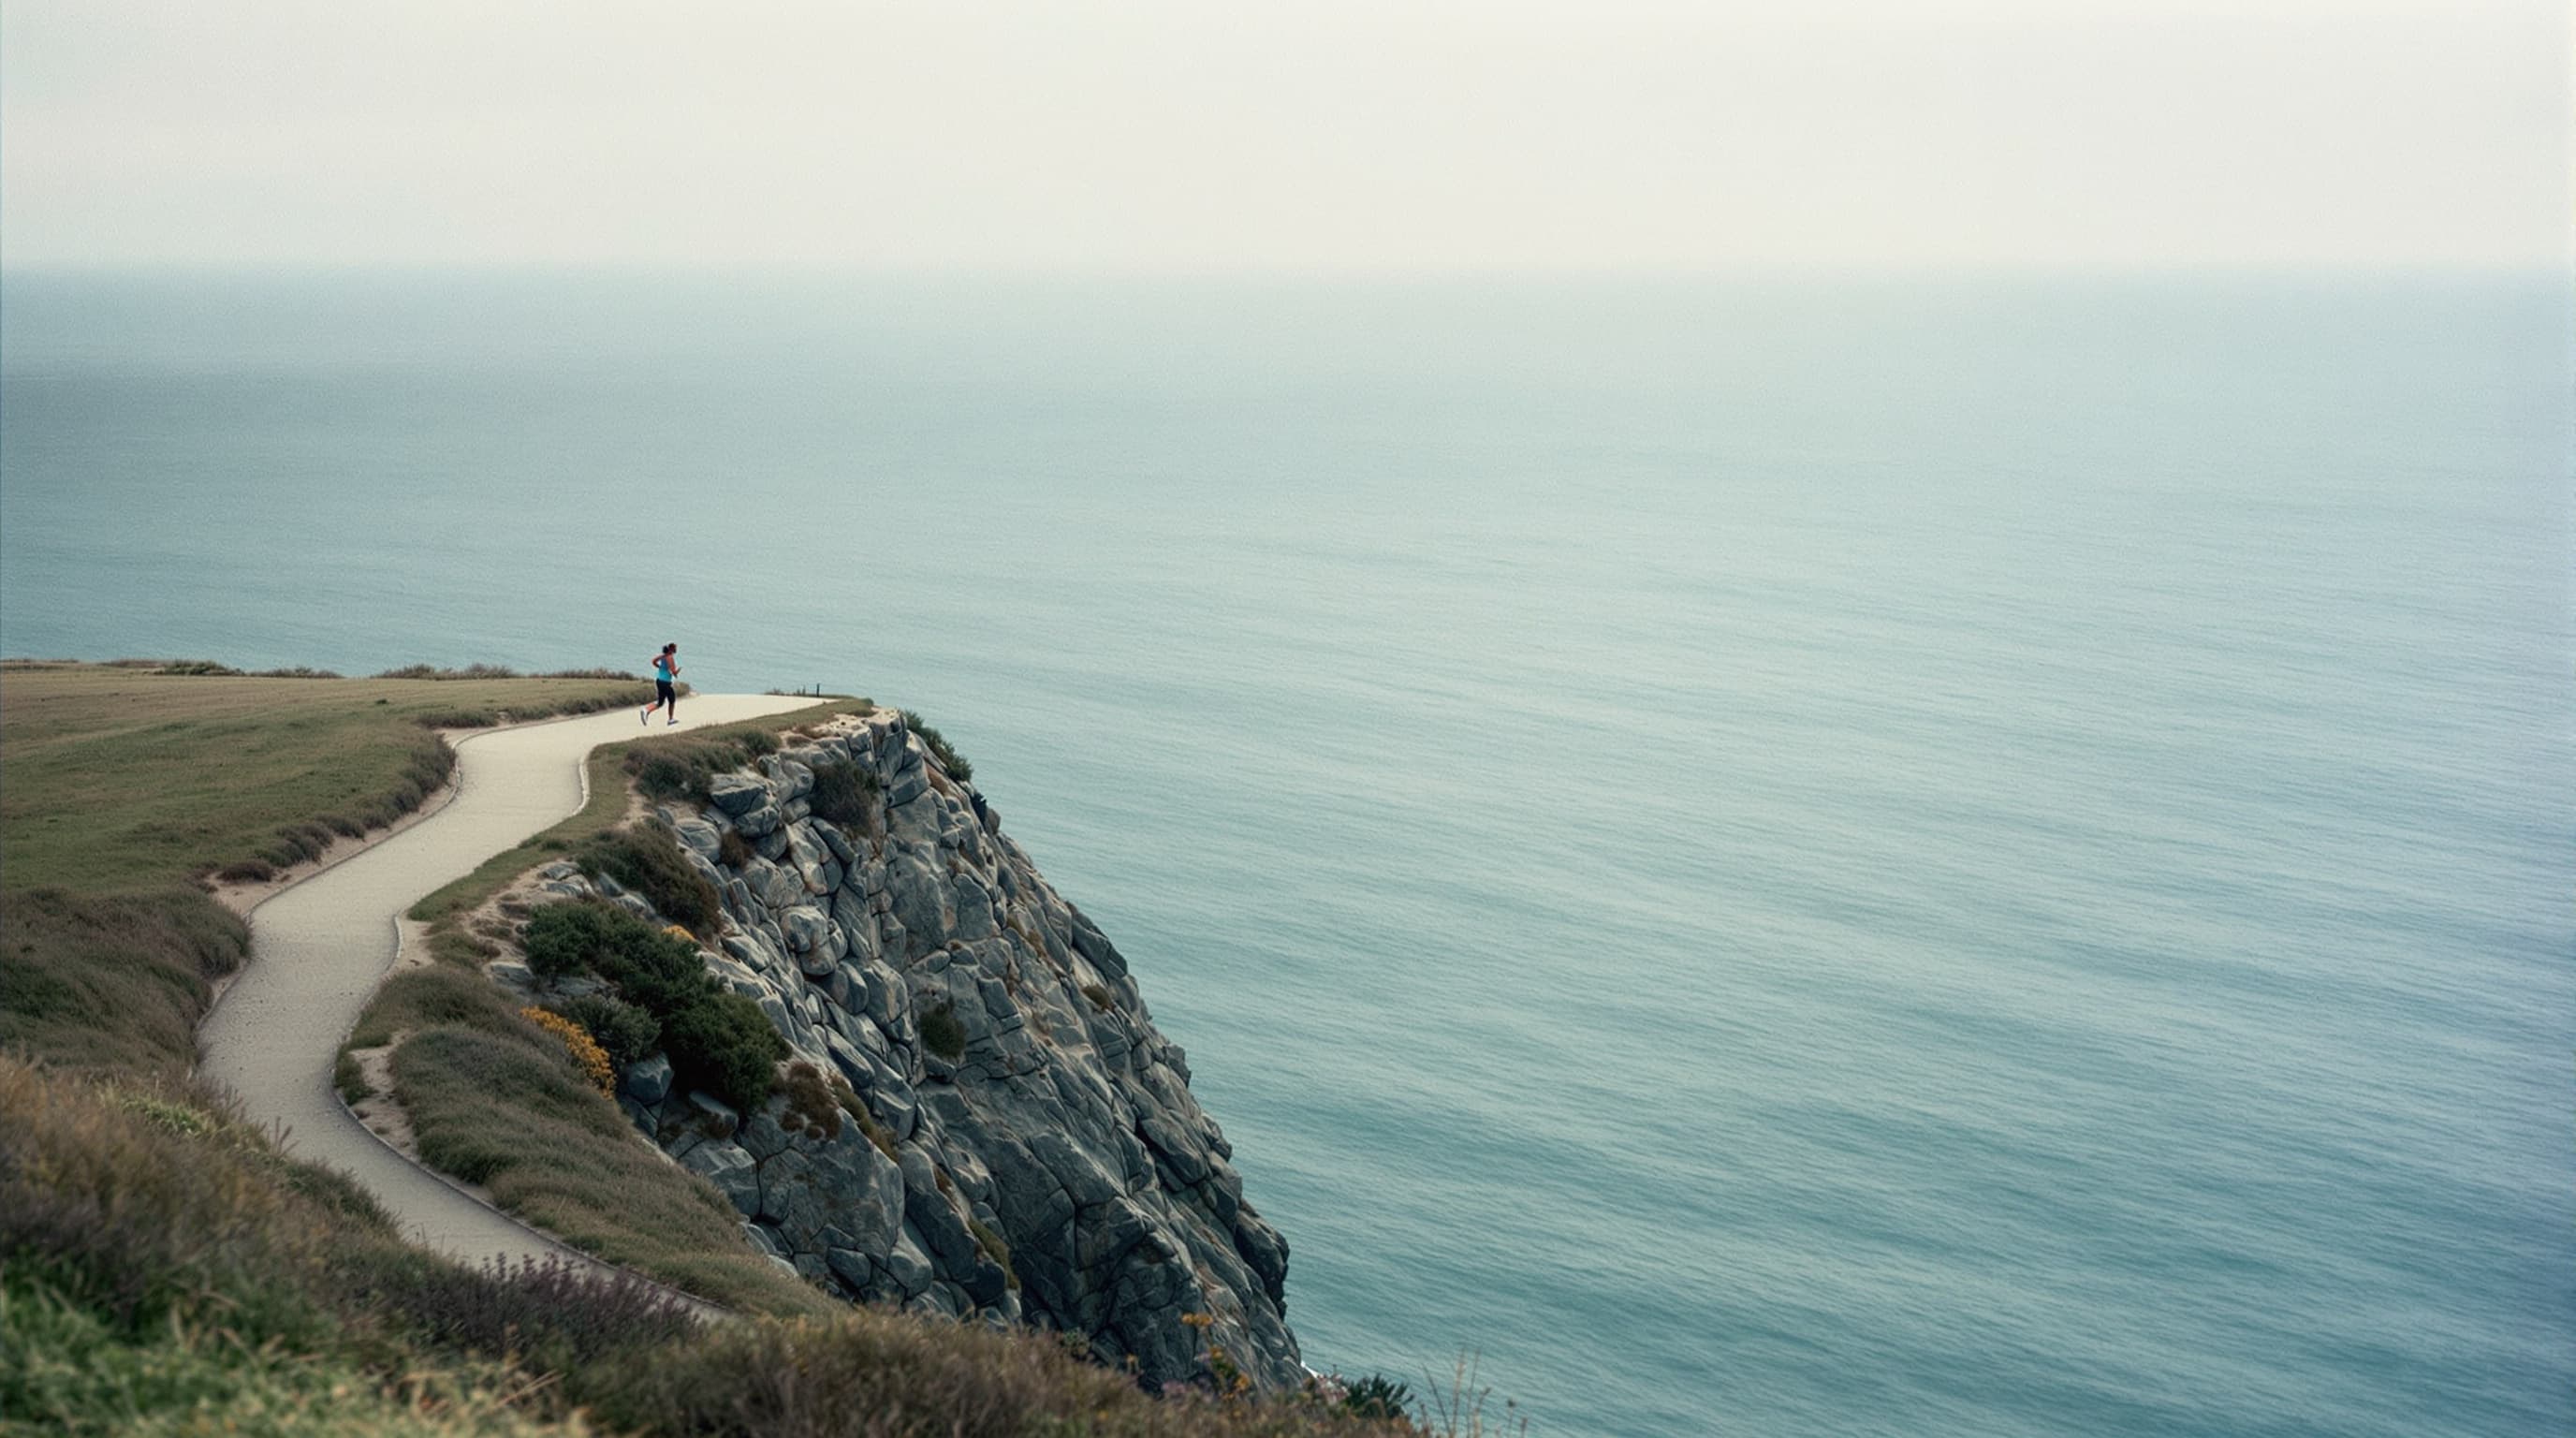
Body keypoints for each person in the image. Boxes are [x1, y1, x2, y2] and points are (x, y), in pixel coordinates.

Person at [641, 642, 681, 726]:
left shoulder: (663, 656)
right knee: (672, 700)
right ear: (671, 649)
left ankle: (646, 710)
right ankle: (670, 719)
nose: (676, 649)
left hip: (659, 681)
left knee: (660, 702)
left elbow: (653, 661)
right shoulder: (670, 657)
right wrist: (677, 671)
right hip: (665, 683)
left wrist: (659, 667)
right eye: (675, 648)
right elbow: (673, 672)